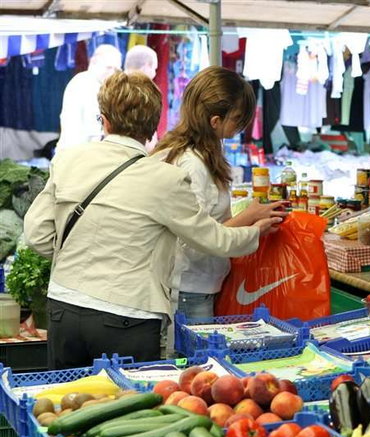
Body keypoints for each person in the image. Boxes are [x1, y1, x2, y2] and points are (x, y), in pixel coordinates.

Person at [23, 71, 281, 369]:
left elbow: (37, 235)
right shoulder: (167, 178)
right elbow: (214, 239)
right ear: (153, 124)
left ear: (104, 119)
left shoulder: (68, 159)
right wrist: (256, 229)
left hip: (64, 307)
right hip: (128, 315)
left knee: (66, 405)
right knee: (127, 406)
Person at [153, 66, 285, 319]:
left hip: (195, 285)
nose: (240, 128)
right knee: (195, 357)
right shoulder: (192, 164)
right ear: (215, 121)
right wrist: (251, 219)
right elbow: (194, 239)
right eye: (237, 120)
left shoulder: (191, 154)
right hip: (188, 289)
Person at [55, 44, 122, 153]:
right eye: (109, 67)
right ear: (94, 62)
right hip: (77, 156)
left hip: (74, 155)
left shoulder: (86, 81)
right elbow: (94, 132)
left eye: (116, 69)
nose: (112, 73)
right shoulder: (88, 85)